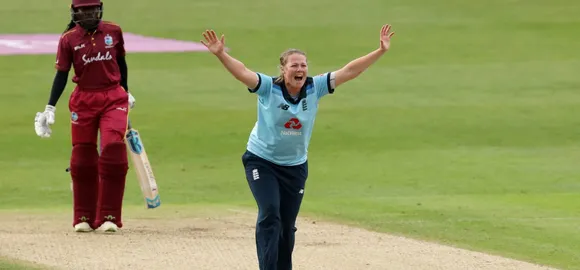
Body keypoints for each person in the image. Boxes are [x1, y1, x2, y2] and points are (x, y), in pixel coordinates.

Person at [200, 24, 395, 270]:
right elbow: (243, 73)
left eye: (303, 65)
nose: (300, 69)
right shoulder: (268, 87)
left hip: (294, 166)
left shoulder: (316, 87)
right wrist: (221, 54)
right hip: (262, 160)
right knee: (270, 214)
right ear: (283, 69)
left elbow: (350, 71)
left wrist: (380, 51)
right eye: (294, 65)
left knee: (287, 225)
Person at [34, 0, 135, 233]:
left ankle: (109, 217)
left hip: (113, 97)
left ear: (99, 8)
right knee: (82, 157)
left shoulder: (113, 31)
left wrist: (126, 91)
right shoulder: (68, 39)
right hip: (83, 100)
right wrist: (50, 107)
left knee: (113, 151)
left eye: (93, 9)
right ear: (75, 12)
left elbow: (121, 63)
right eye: (84, 10)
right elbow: (61, 74)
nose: (89, 13)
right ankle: (83, 217)